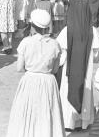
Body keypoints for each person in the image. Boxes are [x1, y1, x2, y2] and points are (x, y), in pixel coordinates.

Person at [7, 9, 65, 137]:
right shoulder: (55, 44)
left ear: (32, 27)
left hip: (30, 80)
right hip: (48, 81)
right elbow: (55, 69)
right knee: (47, 112)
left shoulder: (26, 42)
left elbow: (19, 68)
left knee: (27, 111)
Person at [56, 0, 99, 130]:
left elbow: (61, 55)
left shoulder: (66, 31)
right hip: (86, 71)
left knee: (66, 93)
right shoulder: (93, 31)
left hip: (68, 72)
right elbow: (96, 58)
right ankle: (83, 123)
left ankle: (69, 123)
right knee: (85, 95)